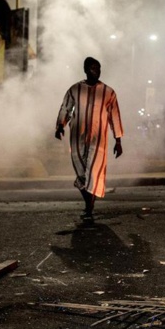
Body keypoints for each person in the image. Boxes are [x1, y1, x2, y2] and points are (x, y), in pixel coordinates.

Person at [55, 57, 124, 220]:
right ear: (85, 70)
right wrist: (60, 126)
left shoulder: (108, 92)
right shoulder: (75, 89)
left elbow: (115, 116)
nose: (96, 71)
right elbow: (66, 107)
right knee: (81, 174)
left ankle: (89, 207)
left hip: (98, 140)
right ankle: (89, 203)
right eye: (93, 68)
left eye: (98, 68)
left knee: (93, 173)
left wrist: (118, 140)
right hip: (77, 138)